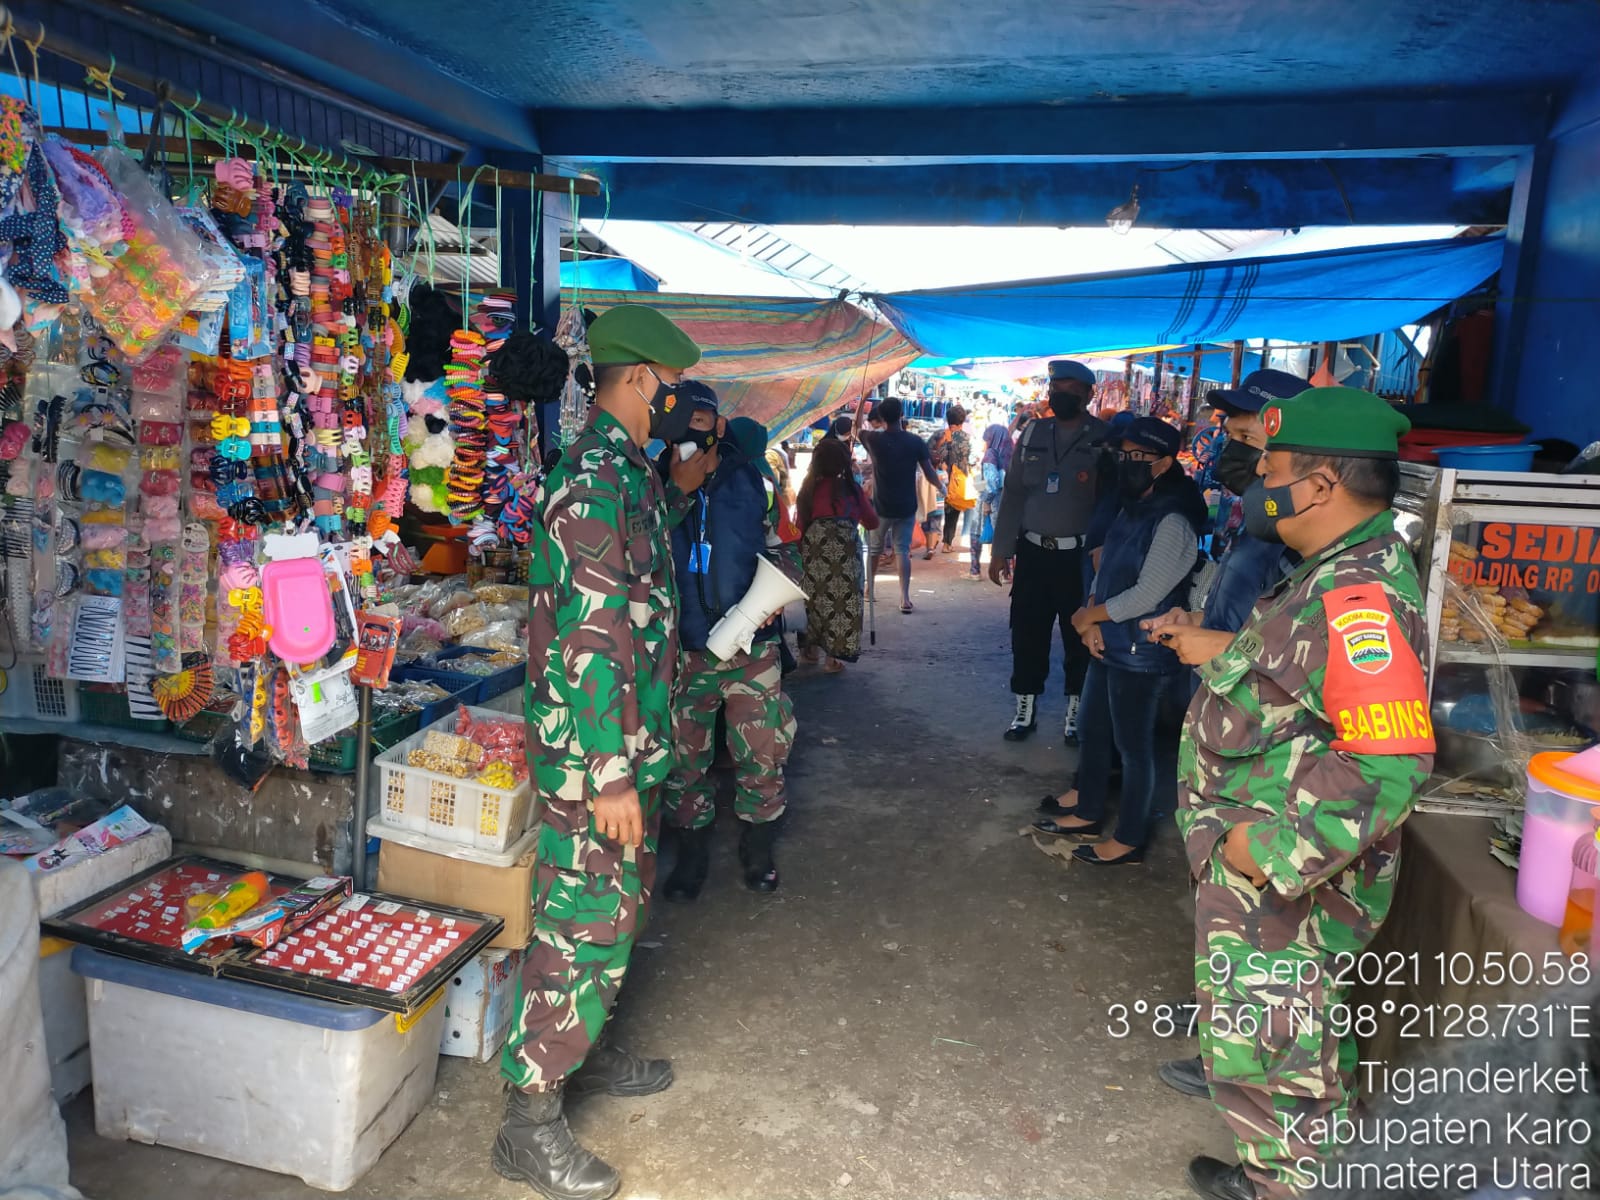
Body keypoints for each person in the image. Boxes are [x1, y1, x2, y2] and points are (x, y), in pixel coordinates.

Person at [1170, 388, 1433, 1200]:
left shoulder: (1360, 600)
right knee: (1301, 1046)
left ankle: (1288, 1185)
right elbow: (1292, 691)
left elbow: (1388, 766)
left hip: (1288, 881)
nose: (1261, 486)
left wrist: (1264, 853)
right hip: (1269, 873)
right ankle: (1280, 1173)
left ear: (1319, 486)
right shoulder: (1331, 573)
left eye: (1272, 470)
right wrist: (1219, 655)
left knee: (1274, 1057)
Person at [498, 303, 715, 1200]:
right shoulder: (591, 481)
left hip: (629, 742)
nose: (682, 406)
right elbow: (592, 639)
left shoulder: (626, 470)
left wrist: (686, 479)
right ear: (637, 380)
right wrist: (612, 773)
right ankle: (529, 1120)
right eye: (672, 390)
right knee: (582, 920)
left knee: (616, 912)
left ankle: (581, 1043)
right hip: (598, 759)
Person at [1028, 417, 1206, 864]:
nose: (1125, 464)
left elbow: (1147, 594)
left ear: (1164, 464)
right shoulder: (1134, 506)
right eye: (1121, 456)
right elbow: (1106, 568)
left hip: (1143, 651)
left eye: (1136, 458)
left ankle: (1128, 838)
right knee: (1092, 730)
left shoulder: (1174, 521)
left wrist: (1091, 615)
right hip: (1111, 643)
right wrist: (1091, 623)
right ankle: (1087, 810)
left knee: (1134, 750)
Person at [655, 390, 796, 903]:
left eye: (702, 420)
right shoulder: (649, 480)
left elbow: (786, 547)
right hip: (684, 649)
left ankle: (758, 850)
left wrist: (778, 596)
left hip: (751, 647)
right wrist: (677, 491)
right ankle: (691, 855)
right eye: (683, 421)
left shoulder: (753, 480)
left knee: (762, 754)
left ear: (717, 423)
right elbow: (632, 550)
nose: (692, 432)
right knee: (683, 760)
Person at [989, 359, 1108, 743]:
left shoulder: (1103, 439)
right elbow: (1013, 495)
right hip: (1034, 553)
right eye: (1057, 389)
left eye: (1072, 391)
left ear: (1089, 395)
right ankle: (1024, 710)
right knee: (1027, 632)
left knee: (1080, 637)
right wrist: (1001, 549)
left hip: (1081, 559)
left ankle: (1075, 714)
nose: (1062, 396)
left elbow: (1111, 503)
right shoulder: (1033, 433)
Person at [796, 437, 879, 671]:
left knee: (813, 600)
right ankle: (833, 658)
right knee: (843, 604)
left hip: (813, 554)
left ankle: (808, 650)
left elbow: (799, 527)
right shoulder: (851, 490)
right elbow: (871, 522)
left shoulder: (808, 490)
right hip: (846, 556)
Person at [860, 397, 943, 614]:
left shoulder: (875, 440)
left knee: (876, 549)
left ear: (880, 418)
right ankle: (905, 598)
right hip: (906, 505)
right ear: (901, 415)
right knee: (902, 551)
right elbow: (929, 472)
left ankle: (869, 588)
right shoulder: (915, 442)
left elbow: (855, 428)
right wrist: (943, 489)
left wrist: (862, 401)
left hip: (881, 506)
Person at [967, 422, 1011, 579]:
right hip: (1006, 502)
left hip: (990, 502)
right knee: (1004, 538)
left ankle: (975, 570)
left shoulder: (990, 455)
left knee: (976, 533)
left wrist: (986, 501)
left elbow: (992, 483)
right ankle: (1007, 573)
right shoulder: (1010, 454)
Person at [929, 404, 974, 554]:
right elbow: (971, 460)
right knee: (952, 512)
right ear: (962, 421)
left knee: (933, 512)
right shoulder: (966, 439)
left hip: (937, 479)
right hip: (956, 479)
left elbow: (927, 451)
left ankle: (931, 542)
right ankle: (947, 543)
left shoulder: (939, 434)